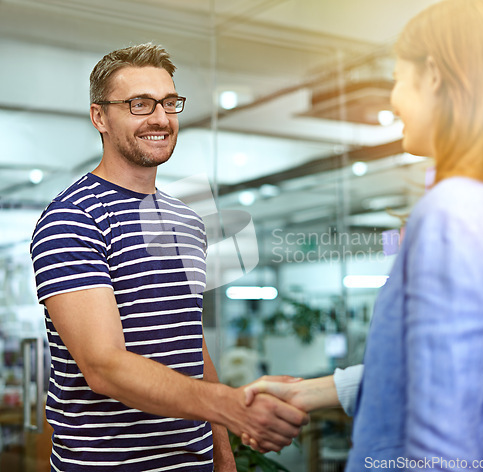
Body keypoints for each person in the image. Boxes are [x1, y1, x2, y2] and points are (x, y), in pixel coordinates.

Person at [245, 1, 483, 470]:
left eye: (399, 79)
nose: (394, 100)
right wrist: (307, 392)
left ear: (435, 76)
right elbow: (434, 370)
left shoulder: (451, 211)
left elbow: (445, 431)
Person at [30, 43, 308, 472]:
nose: (160, 118)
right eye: (139, 104)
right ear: (99, 117)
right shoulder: (73, 217)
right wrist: (228, 404)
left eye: (168, 103)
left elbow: (190, 339)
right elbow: (103, 368)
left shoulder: (188, 220)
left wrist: (223, 453)